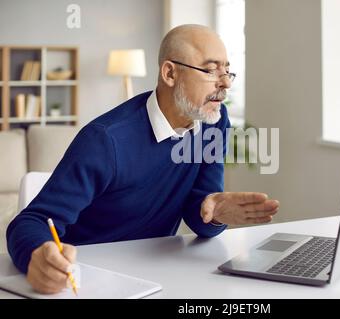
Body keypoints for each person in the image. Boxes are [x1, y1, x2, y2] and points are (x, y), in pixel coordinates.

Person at [6, 24, 279, 294]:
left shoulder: (213, 123)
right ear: (170, 73)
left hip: (157, 276)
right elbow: (32, 221)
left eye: (226, 70)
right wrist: (38, 256)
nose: (226, 83)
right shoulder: (105, 140)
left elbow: (199, 213)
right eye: (210, 70)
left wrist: (214, 213)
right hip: (86, 279)